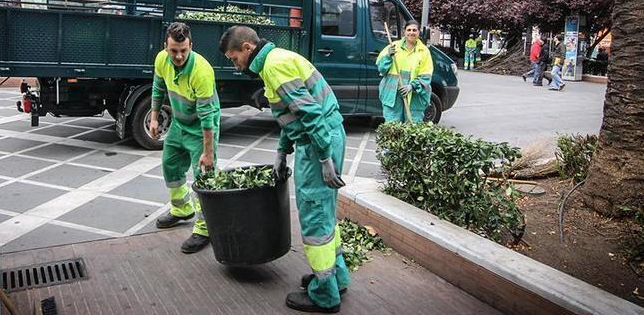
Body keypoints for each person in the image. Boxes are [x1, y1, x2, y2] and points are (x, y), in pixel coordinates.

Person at [219, 25, 348, 313]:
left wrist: (324, 158)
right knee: (325, 213)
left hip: (319, 143)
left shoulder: (274, 67)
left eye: (233, 58)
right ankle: (334, 276)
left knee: (315, 218)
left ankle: (325, 295)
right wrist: (282, 151)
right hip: (322, 138)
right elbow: (294, 114)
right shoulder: (275, 61)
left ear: (247, 49)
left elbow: (310, 114)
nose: (235, 65)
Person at [150, 22, 220, 254]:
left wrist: (208, 153)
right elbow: (158, 87)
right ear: (165, 47)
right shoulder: (161, 59)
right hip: (180, 123)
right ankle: (182, 210)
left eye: (183, 50)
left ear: (191, 46)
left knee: (204, 177)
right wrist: (153, 117)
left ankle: (205, 227)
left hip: (202, 128)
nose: (178, 56)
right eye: (173, 50)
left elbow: (207, 117)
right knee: (170, 165)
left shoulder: (201, 70)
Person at [377, 20, 433, 123]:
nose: (411, 32)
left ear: (418, 32)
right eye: (409, 30)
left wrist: (411, 86)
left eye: (414, 30)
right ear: (404, 32)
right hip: (392, 96)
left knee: (412, 128)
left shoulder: (424, 51)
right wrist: (388, 56)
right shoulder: (393, 46)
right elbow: (381, 69)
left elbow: (426, 76)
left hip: (415, 97)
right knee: (393, 128)